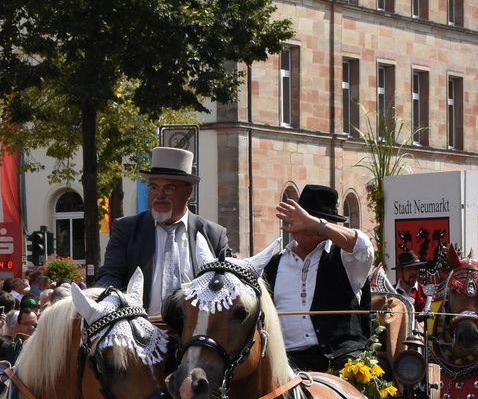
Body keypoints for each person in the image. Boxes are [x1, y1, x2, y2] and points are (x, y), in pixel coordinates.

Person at [259, 184, 376, 373]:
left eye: (312, 220)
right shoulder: (272, 265)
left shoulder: (346, 258)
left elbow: (363, 247)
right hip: (287, 363)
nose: (305, 224)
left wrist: (318, 225)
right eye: (302, 217)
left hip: (342, 359)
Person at [96, 146, 233, 303]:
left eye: (169, 187)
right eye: (153, 187)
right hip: (140, 324)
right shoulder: (126, 229)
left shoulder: (213, 234)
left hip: (194, 326)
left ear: (188, 192)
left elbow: (228, 283)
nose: (159, 195)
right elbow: (110, 275)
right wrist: (108, 301)